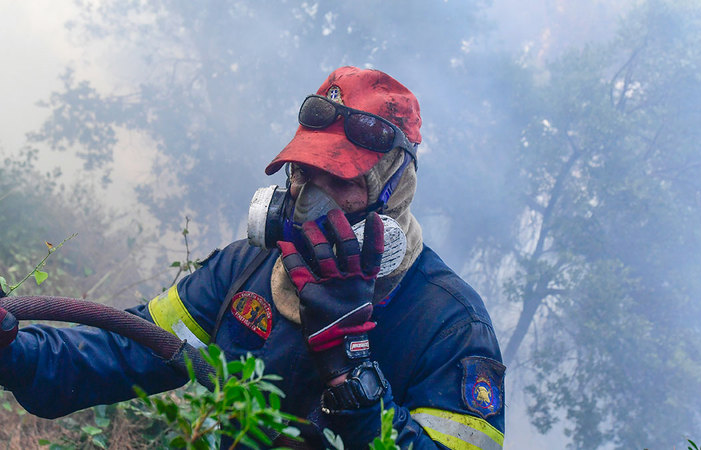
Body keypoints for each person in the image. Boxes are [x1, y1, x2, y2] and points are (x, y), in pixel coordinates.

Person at [0, 66, 505, 449]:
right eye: (304, 173)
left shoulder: (450, 326)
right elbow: (120, 351)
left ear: (395, 191)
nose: (310, 199)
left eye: (340, 179)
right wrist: (12, 349)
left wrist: (353, 376)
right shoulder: (247, 270)